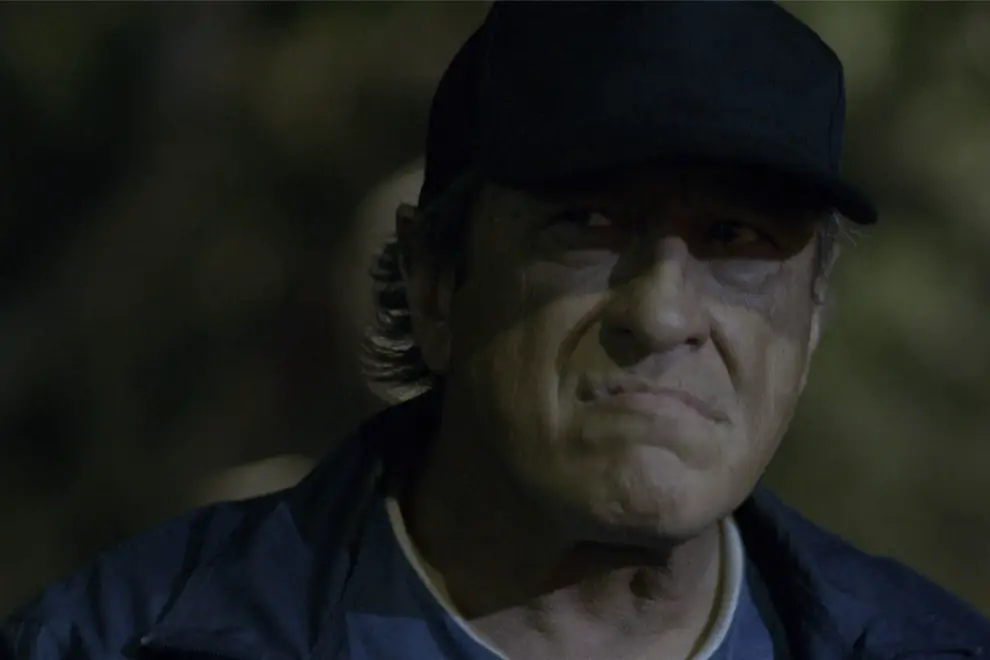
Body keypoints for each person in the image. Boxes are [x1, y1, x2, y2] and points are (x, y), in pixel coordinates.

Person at [4, 3, 989, 659]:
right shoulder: (112, 642)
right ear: (435, 285)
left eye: (737, 240)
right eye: (587, 225)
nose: (661, 313)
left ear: (809, 332)